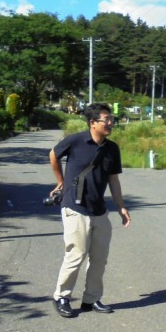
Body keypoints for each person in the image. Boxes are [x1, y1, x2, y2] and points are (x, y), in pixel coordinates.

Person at [50, 102, 131, 318]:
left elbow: (113, 180)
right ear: (93, 123)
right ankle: (62, 296)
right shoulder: (76, 141)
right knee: (75, 255)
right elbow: (53, 155)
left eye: (112, 119)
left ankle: (91, 299)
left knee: (99, 258)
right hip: (75, 208)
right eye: (107, 120)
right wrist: (60, 182)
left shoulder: (112, 148)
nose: (111, 123)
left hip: (99, 210)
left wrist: (121, 207)